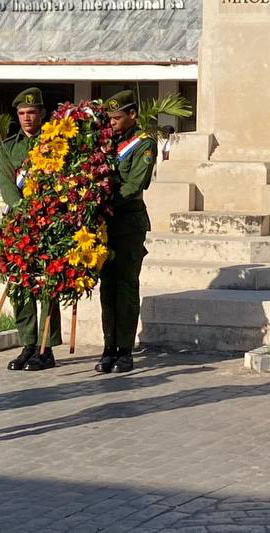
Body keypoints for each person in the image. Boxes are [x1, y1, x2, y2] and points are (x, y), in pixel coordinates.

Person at [0, 87, 61, 371]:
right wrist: (25, 212)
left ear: (42, 114)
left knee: (47, 287)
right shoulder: (8, 148)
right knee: (21, 286)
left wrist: (42, 214)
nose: (26, 118)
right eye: (22, 113)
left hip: (48, 223)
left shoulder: (55, 144)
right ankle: (27, 343)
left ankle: (45, 348)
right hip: (20, 226)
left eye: (32, 113)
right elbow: (9, 188)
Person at [95, 90, 156, 373]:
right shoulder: (106, 142)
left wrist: (103, 202)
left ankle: (125, 349)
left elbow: (134, 186)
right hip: (105, 225)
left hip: (128, 225)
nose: (113, 122)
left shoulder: (144, 144)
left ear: (132, 115)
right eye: (110, 118)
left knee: (126, 287)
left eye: (118, 117)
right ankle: (109, 347)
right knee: (107, 288)